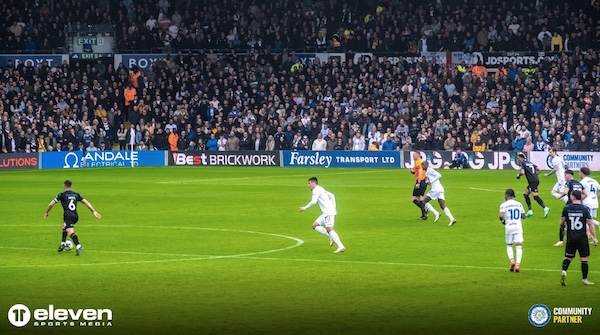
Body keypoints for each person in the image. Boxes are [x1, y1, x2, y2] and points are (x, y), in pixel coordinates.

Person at [43, 180, 102, 256]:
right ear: (71, 186)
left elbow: (51, 204)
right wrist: (93, 211)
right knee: (64, 226)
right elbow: (86, 202)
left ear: (64, 186)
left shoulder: (62, 195)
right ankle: (63, 243)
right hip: (75, 216)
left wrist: (47, 212)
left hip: (68, 216)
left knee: (70, 232)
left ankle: (78, 245)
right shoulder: (76, 194)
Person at [560, 190, 598, 286]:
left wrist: (564, 230)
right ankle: (584, 279)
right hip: (582, 237)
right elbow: (590, 223)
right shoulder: (585, 209)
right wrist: (594, 237)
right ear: (580, 197)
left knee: (568, 257)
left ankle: (564, 271)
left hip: (571, 237)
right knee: (584, 258)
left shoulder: (567, 208)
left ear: (572, 197)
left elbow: (561, 223)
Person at [299, 177, 345, 253]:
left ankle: (341, 246)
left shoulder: (316, 190)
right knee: (314, 226)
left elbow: (314, 202)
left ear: (314, 183)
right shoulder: (321, 188)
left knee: (330, 229)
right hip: (326, 212)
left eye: (309, 183)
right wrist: (334, 207)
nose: (308, 185)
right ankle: (331, 237)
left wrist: (304, 208)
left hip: (328, 212)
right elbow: (332, 195)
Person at [555, 170, 586, 247]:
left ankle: (561, 240)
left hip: (570, 205)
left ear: (569, 175)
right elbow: (585, 194)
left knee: (562, 222)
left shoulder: (569, 183)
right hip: (579, 205)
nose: (564, 177)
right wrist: (579, 200)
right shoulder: (579, 183)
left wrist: (560, 196)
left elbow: (565, 192)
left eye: (565, 175)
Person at [420, 161, 457, 226]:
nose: (422, 166)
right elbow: (427, 180)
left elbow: (439, 175)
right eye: (422, 165)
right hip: (440, 189)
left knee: (424, 201)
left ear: (427, 165)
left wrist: (431, 181)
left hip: (436, 189)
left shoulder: (430, 170)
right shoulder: (427, 172)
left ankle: (436, 213)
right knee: (442, 205)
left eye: (423, 165)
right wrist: (427, 180)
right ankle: (452, 219)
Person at [516, 153, 550, 218]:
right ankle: (530, 211)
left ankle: (545, 208)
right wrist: (535, 175)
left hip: (532, 181)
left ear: (521, 158)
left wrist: (518, 175)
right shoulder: (530, 163)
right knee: (525, 194)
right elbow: (539, 170)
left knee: (535, 196)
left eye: (518, 158)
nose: (517, 159)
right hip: (535, 180)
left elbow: (522, 172)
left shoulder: (522, 163)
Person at [499, 189, 525, 272]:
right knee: (519, 246)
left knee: (509, 245)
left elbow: (501, 216)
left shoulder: (504, 205)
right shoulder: (519, 204)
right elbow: (523, 216)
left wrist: (503, 221)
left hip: (509, 226)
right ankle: (517, 265)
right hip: (518, 227)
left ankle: (512, 260)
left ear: (506, 195)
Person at [409, 152, 428, 219]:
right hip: (424, 181)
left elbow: (420, 172)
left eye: (414, 155)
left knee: (414, 199)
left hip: (420, 181)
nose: (413, 156)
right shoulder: (420, 162)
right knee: (420, 198)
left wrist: (418, 183)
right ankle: (424, 215)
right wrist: (412, 171)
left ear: (418, 155)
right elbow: (416, 172)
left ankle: (425, 210)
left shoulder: (419, 162)